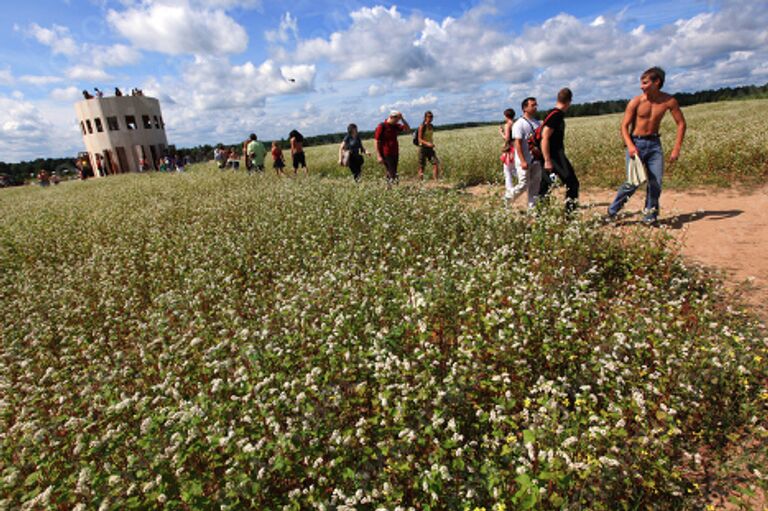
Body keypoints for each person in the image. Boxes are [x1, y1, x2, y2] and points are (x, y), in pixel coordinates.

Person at [606, 67, 687, 225]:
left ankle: (650, 217)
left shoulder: (669, 101)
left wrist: (677, 148)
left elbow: (681, 124)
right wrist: (630, 146)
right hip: (636, 143)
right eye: (641, 83)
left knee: (655, 183)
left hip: (655, 145)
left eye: (645, 83)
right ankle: (612, 211)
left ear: (656, 82)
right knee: (632, 182)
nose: (641, 86)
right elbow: (624, 126)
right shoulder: (636, 101)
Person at [541, 87, 579, 215]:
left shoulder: (551, 113)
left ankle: (541, 215)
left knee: (545, 185)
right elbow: (544, 136)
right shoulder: (556, 115)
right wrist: (547, 160)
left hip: (549, 155)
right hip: (554, 156)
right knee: (572, 183)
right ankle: (570, 215)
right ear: (569, 101)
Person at [510, 97, 543, 209]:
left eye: (536, 105)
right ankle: (507, 199)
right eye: (532, 105)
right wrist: (523, 161)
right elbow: (517, 143)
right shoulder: (519, 124)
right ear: (525, 108)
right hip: (524, 161)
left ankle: (532, 208)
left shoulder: (537, 122)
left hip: (536, 159)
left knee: (535, 185)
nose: (535, 107)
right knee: (523, 185)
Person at [374, 110, 410, 185]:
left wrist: (402, 119)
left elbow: (407, 129)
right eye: (396, 120)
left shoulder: (395, 125)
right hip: (386, 152)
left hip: (395, 152)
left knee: (392, 171)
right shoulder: (382, 126)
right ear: (391, 117)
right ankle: (394, 187)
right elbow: (376, 141)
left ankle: (389, 188)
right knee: (392, 171)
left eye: (398, 120)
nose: (397, 122)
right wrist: (379, 156)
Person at [499, 108, 516, 201]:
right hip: (516, 148)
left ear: (506, 116)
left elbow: (507, 138)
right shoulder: (516, 124)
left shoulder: (508, 125)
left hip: (509, 150)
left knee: (507, 170)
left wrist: (501, 133)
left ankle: (509, 191)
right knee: (514, 168)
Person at [416, 111, 440, 180]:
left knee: (435, 163)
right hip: (423, 148)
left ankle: (436, 181)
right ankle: (420, 183)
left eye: (431, 117)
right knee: (422, 167)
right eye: (429, 117)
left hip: (430, 149)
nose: (430, 118)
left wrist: (431, 143)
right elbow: (419, 139)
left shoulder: (431, 126)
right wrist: (428, 143)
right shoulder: (422, 126)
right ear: (425, 118)